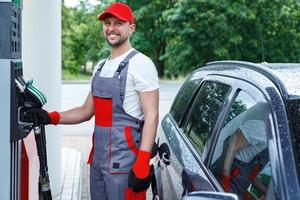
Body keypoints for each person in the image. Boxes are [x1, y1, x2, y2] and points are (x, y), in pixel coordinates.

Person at [27, 2, 159, 200]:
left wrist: (142, 160)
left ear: (131, 28)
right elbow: (86, 110)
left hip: (125, 163)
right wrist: (52, 116)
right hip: (98, 160)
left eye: (118, 23)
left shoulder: (142, 64)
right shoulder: (100, 66)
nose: (111, 28)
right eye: (107, 23)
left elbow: (152, 114)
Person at [211, 102, 270, 197]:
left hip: (235, 189)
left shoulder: (274, 144)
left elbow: (250, 174)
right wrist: (225, 179)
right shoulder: (262, 128)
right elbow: (229, 146)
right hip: (220, 185)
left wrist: (268, 193)